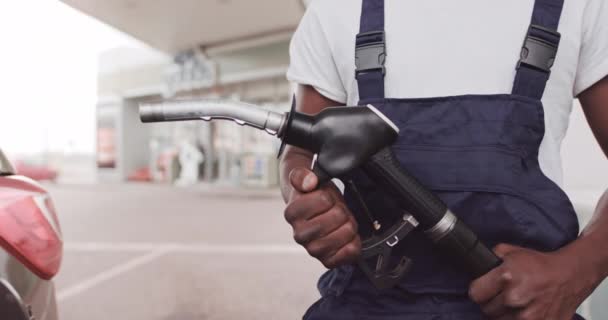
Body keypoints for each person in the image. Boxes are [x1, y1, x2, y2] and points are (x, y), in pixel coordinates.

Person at [279, 0, 608, 319]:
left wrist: (576, 271)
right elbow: (299, 150)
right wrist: (308, 196)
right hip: (367, 304)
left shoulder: (582, 6)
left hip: (525, 307)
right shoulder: (335, 8)